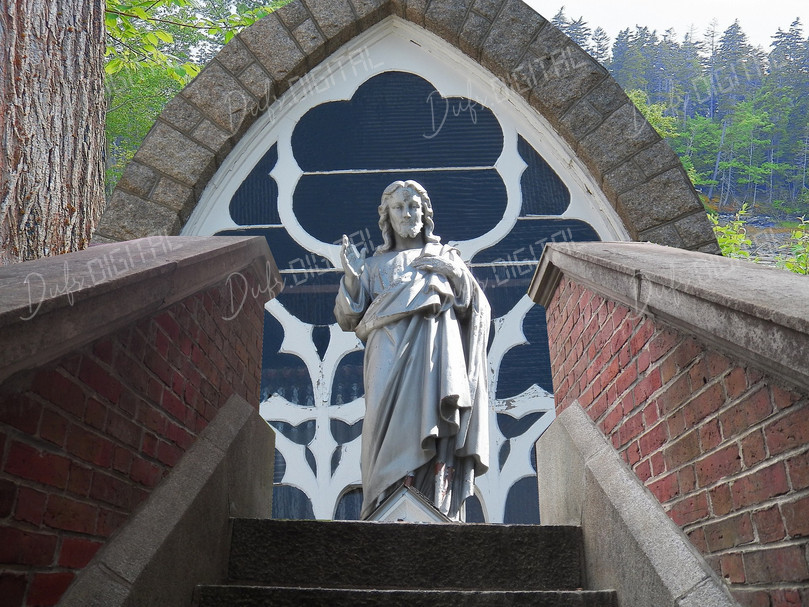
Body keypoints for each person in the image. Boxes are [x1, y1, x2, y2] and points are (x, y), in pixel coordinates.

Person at [334, 180, 490, 520]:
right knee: (380, 427)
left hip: (434, 355)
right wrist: (350, 277)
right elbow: (349, 317)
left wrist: (454, 275)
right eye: (399, 208)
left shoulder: (444, 256)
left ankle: (436, 502)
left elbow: (476, 308)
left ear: (425, 213)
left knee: (432, 416)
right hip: (385, 353)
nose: (407, 214)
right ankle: (384, 501)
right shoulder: (373, 267)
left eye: (413, 206)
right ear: (387, 216)